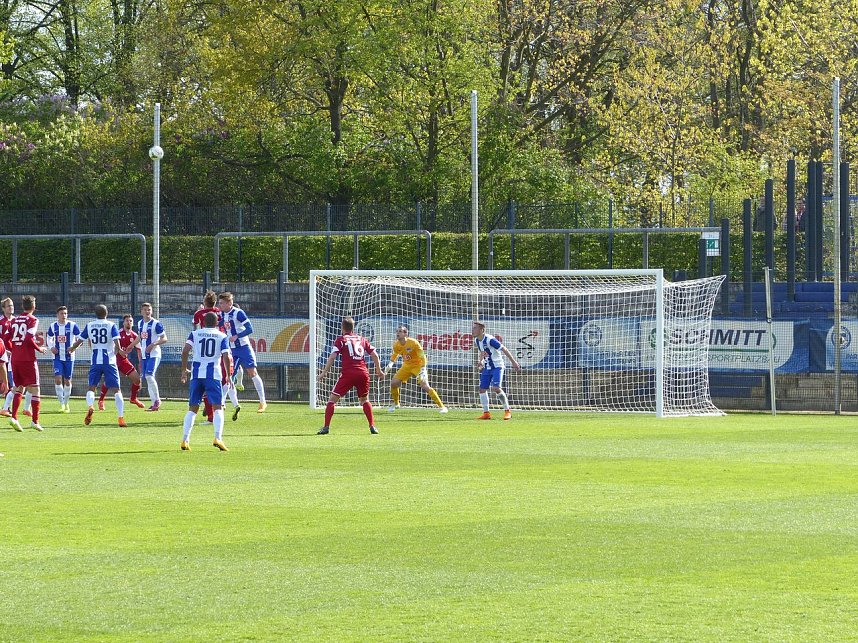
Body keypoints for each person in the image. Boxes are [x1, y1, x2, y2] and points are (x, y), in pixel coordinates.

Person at [316, 316, 384, 435]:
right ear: (353, 327)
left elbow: (332, 356)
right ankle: (372, 425)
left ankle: (326, 427)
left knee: (332, 400)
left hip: (348, 374)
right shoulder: (362, 339)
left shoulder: (341, 340)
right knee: (364, 400)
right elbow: (375, 355)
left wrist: (324, 372)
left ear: (342, 327)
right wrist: (379, 369)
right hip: (363, 373)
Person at [180, 311, 233, 451]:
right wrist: (228, 375)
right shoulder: (222, 336)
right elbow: (226, 356)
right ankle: (218, 438)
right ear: (217, 323)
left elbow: (185, 351)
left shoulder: (195, 333)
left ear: (203, 323)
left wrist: (184, 370)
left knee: (192, 408)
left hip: (196, 375)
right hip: (213, 375)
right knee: (218, 407)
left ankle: (185, 440)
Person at [68, 304, 127, 428]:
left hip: (95, 361)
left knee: (91, 387)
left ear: (95, 314)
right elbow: (117, 341)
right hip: (109, 361)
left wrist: (72, 348)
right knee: (117, 390)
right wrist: (119, 351)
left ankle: (90, 407)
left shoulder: (90, 325)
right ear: (107, 313)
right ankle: (121, 418)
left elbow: (80, 340)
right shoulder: (111, 325)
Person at [6, 295, 50, 432]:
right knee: (35, 388)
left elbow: (7, 337)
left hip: (15, 358)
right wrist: (40, 349)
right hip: (28, 359)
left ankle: (14, 417)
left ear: (22, 306)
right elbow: (29, 338)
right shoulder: (33, 320)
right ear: (34, 306)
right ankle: (35, 421)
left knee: (19, 387)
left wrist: (12, 349)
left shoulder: (14, 320)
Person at [218, 292, 266, 413]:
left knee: (252, 372)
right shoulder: (221, 314)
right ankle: (223, 403)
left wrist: (237, 336)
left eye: (222, 303)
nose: (220, 305)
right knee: (228, 376)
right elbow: (218, 325)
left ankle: (262, 401)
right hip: (231, 350)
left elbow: (250, 328)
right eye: (219, 303)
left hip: (244, 347)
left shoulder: (238, 313)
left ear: (230, 303)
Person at [383, 324, 447, 413]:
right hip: (406, 366)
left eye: (400, 331)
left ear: (405, 334)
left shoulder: (413, 343)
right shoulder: (396, 344)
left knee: (425, 386)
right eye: (397, 331)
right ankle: (396, 404)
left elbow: (422, 355)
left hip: (418, 366)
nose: (397, 333)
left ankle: (442, 407)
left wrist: (423, 368)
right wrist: (390, 363)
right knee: (394, 383)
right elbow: (396, 353)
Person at [472, 321, 521, 420]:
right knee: (482, 389)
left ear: (481, 330)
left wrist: (514, 362)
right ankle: (486, 413)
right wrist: (481, 361)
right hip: (487, 367)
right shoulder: (477, 340)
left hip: (497, 366)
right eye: (473, 328)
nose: (473, 330)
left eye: (475, 328)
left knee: (496, 388)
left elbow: (504, 349)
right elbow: (483, 351)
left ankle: (508, 411)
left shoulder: (490, 339)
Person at [98, 314, 145, 410]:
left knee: (137, 379)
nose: (129, 322)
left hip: (123, 360)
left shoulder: (134, 336)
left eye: (130, 321)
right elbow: (113, 345)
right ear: (123, 323)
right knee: (109, 380)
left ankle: (133, 398)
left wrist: (141, 364)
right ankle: (101, 400)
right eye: (127, 320)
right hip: (114, 359)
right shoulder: (119, 333)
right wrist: (120, 351)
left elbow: (139, 350)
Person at [46, 305, 81, 413]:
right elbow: (49, 338)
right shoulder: (53, 326)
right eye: (62, 313)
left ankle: (66, 404)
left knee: (67, 381)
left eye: (65, 313)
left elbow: (80, 338)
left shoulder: (72, 325)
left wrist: (74, 347)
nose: (64, 315)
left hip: (69, 357)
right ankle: (61, 404)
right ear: (57, 315)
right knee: (57, 379)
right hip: (57, 357)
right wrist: (51, 347)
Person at [136, 302, 168, 411]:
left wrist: (153, 344)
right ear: (141, 312)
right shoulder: (140, 323)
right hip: (145, 355)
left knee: (149, 375)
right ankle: (154, 402)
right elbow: (140, 338)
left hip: (154, 354)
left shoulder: (156, 324)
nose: (147, 311)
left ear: (152, 311)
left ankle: (157, 400)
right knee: (147, 377)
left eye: (149, 309)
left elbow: (164, 338)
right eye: (145, 310)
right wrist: (130, 346)